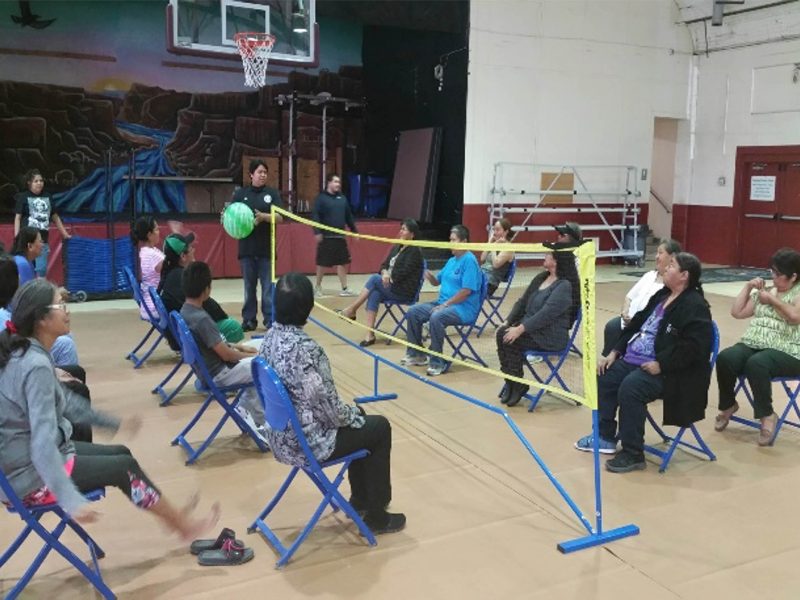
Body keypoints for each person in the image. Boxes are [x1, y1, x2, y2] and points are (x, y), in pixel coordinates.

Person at [0, 279, 219, 540]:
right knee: (123, 467)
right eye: (60, 304)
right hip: (29, 480)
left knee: (122, 453)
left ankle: (171, 518)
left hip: (26, 465)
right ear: (42, 319)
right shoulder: (34, 363)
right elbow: (42, 442)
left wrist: (112, 423)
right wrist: (70, 499)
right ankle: (182, 525)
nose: (67, 310)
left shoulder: (30, 352)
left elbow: (66, 403)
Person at [259, 272, 406, 534]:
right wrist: (354, 414)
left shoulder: (268, 339)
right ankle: (376, 514)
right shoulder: (308, 350)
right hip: (307, 444)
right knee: (378, 427)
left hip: (279, 436)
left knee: (360, 420)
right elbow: (330, 412)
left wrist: (354, 414)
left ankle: (360, 500)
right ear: (308, 308)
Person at [575, 252, 713, 473]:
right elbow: (635, 324)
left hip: (672, 372)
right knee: (604, 375)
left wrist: (662, 364)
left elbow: (695, 348)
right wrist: (615, 351)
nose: (666, 268)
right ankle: (605, 435)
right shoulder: (661, 295)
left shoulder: (695, 306)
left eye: (671, 266)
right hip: (635, 359)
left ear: (684, 275)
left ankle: (633, 453)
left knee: (632, 387)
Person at [714, 248, 800, 445]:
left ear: (793, 276)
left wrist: (772, 300)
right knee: (726, 357)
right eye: (772, 272)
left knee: (757, 363)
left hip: (789, 350)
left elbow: (795, 317)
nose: (773, 277)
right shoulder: (767, 291)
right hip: (754, 343)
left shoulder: (796, 293)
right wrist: (748, 288)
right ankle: (728, 405)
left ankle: (767, 415)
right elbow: (737, 312)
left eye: (778, 274)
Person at [180, 261, 268, 445]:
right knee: (263, 365)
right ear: (206, 290)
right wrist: (253, 357)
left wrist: (239, 347)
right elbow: (226, 356)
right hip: (220, 374)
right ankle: (262, 422)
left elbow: (216, 345)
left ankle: (246, 409)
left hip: (208, 370)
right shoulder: (202, 318)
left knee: (258, 344)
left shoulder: (185, 312)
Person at [496, 244, 580, 407]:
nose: (545, 255)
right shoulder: (541, 278)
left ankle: (517, 384)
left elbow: (545, 315)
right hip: (531, 330)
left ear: (557, 261)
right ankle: (513, 382)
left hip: (550, 336)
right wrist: (507, 322)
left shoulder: (564, 286)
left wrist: (519, 329)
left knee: (512, 341)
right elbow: (522, 302)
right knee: (502, 333)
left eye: (548, 254)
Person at [402, 225, 483, 377]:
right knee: (413, 312)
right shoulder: (452, 261)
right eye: (449, 240)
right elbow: (436, 282)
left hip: (463, 309)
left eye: (453, 240)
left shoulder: (470, 261)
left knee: (436, 317)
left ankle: (437, 361)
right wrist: (427, 274)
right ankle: (416, 354)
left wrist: (445, 305)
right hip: (442, 304)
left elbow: (466, 291)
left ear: (464, 242)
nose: (450, 243)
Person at [338, 218, 425, 347]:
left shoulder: (415, 251)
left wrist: (388, 276)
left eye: (404, 229)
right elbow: (383, 264)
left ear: (412, 235)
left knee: (374, 279)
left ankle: (352, 309)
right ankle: (369, 334)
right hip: (389, 285)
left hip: (403, 291)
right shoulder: (397, 247)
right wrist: (384, 273)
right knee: (374, 293)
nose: (400, 232)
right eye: (400, 229)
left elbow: (403, 273)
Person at [158, 233, 244, 345]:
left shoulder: (171, 274)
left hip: (177, 332)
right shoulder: (183, 277)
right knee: (234, 327)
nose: (193, 250)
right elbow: (205, 306)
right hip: (186, 335)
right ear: (183, 256)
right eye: (190, 248)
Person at [602, 239, 682, 355]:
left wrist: (637, 322)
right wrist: (624, 312)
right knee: (613, 326)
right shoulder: (649, 275)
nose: (656, 257)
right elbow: (629, 297)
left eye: (660, 253)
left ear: (672, 257)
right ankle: (608, 361)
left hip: (645, 327)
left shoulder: (670, 285)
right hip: (629, 321)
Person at [231, 160, 283, 331]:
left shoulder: (272, 194)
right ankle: (249, 320)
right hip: (246, 250)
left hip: (266, 250)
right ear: (251, 174)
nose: (262, 175)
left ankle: (270, 320)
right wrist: (226, 217)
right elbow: (231, 217)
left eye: (265, 173)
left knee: (268, 289)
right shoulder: (240, 195)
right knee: (249, 288)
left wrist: (264, 217)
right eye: (259, 172)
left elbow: (280, 218)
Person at [14, 169, 71, 278]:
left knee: (41, 269)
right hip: (27, 240)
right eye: (36, 181)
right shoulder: (24, 197)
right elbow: (18, 218)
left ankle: (40, 292)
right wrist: (17, 236)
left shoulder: (48, 197)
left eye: (41, 181)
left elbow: (55, 217)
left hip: (42, 239)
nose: (39, 183)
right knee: (26, 267)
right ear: (29, 183)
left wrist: (64, 234)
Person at [312, 174, 358, 298]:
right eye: (335, 181)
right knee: (322, 263)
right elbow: (315, 216)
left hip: (340, 237)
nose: (338, 184)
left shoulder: (342, 199)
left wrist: (354, 231)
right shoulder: (321, 199)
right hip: (326, 237)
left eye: (339, 182)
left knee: (342, 263)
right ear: (329, 183)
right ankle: (317, 287)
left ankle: (344, 288)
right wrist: (317, 232)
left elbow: (348, 216)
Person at [132, 216, 165, 321]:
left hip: (150, 305)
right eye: (156, 229)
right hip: (155, 307)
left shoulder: (146, 251)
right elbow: (171, 267)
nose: (159, 232)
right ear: (149, 235)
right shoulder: (151, 255)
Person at [480, 218, 515, 296]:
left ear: (506, 232)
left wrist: (493, 247)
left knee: (465, 287)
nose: (494, 233)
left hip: (489, 283)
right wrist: (490, 242)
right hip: (481, 276)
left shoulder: (508, 248)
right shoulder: (495, 243)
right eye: (494, 230)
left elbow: (496, 264)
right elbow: (482, 258)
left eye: (498, 230)